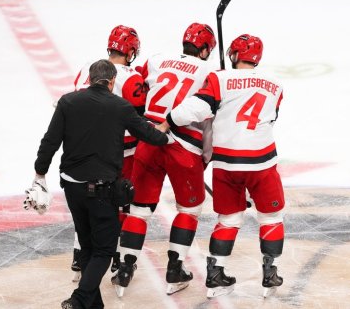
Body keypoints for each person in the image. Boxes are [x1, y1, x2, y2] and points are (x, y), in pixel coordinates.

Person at [32, 59, 169, 309]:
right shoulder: (121, 107)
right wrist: (167, 127)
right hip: (101, 190)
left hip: (72, 187)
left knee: (87, 246)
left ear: (90, 78)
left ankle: (94, 304)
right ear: (113, 81)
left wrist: (39, 173)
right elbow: (151, 136)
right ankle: (80, 300)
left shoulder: (67, 102)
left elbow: (50, 141)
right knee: (104, 250)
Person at [161, 34, 285, 298]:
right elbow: (271, 117)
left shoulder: (219, 79)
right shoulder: (276, 84)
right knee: (271, 217)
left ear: (235, 55)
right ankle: (270, 272)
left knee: (228, 218)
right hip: (262, 161)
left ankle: (216, 273)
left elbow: (194, 109)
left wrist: (169, 119)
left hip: (227, 163)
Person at [113, 22, 217, 297]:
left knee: (139, 209)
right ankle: (175, 269)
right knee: (189, 209)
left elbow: (138, 83)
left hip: (149, 138)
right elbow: (210, 125)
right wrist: (206, 158)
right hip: (185, 147)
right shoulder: (212, 74)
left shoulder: (158, 60)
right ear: (206, 50)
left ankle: (124, 270)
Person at [71, 25, 147, 282]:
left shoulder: (87, 67)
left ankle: (80, 254)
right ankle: (115, 256)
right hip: (118, 150)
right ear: (131, 51)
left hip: (81, 146)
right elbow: (137, 116)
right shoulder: (131, 76)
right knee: (119, 199)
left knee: (86, 197)